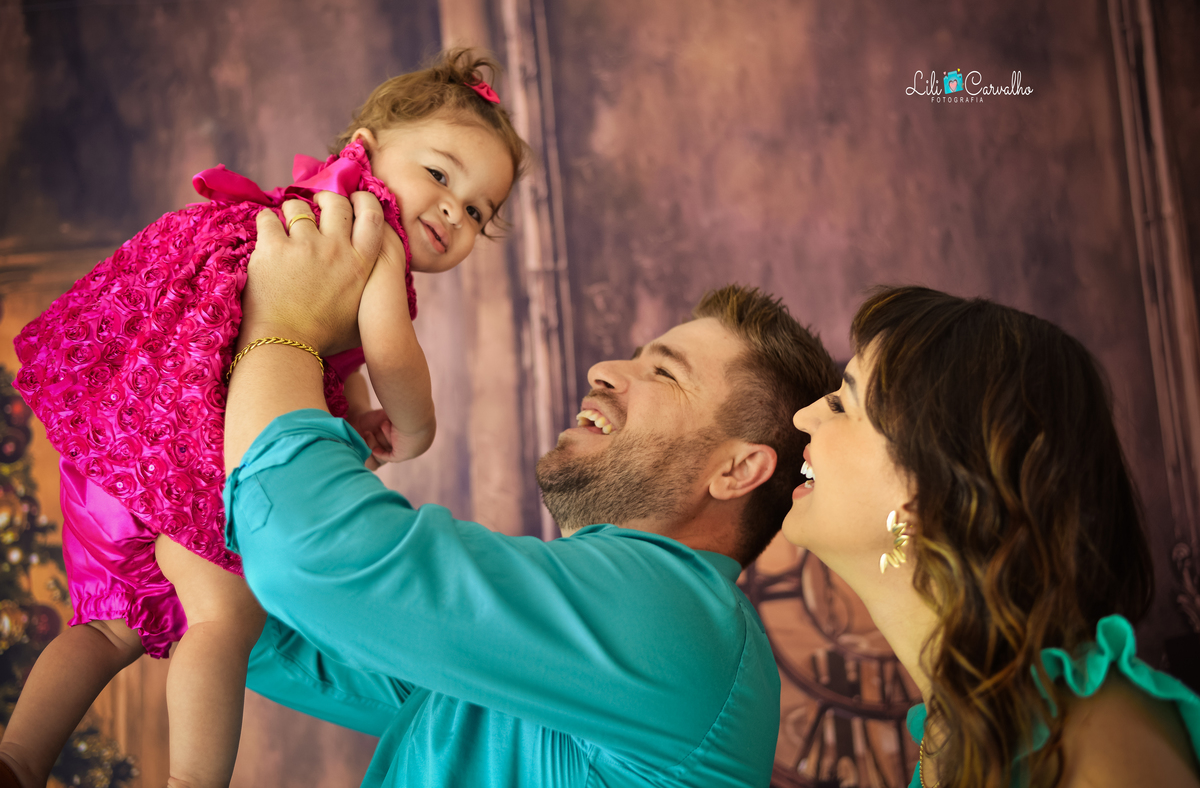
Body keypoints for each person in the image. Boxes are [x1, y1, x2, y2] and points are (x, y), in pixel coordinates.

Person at [2, 49, 525, 788]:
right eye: (440, 175)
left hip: (114, 444)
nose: (452, 211)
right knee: (224, 621)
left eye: (477, 211)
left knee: (108, 631)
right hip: (184, 450)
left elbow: (313, 339)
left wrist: (357, 409)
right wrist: (414, 427)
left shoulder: (303, 213)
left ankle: (18, 758)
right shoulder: (366, 228)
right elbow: (389, 349)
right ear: (367, 149)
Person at [217, 193, 839, 787]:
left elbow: (309, 555)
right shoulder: (583, 643)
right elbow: (298, 644)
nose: (604, 370)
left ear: (737, 470)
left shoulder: (681, 622)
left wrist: (284, 326)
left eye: (663, 372)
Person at [785, 285, 1200, 788]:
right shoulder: (950, 729)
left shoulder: (1096, 742)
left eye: (841, 403)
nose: (803, 416)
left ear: (928, 489)